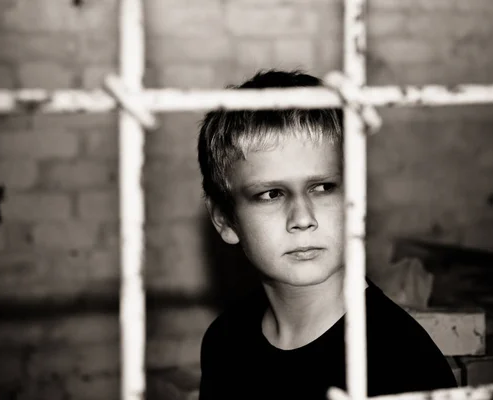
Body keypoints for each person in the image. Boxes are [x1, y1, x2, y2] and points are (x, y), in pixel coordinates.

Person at [196, 70, 457, 400]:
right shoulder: (225, 342)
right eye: (271, 194)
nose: (303, 218)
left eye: (322, 187)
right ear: (224, 219)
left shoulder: (401, 363)